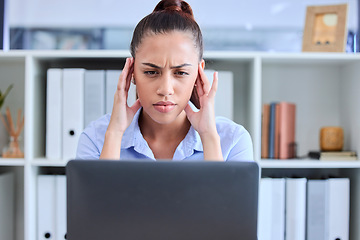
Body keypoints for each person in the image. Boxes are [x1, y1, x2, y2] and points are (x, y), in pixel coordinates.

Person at [76, 0, 253, 161]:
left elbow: (225, 197)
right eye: (151, 72)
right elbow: (99, 197)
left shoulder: (233, 141)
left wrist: (208, 136)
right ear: (132, 72)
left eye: (181, 73)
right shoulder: (95, 138)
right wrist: (114, 134)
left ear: (198, 74)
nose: (166, 89)